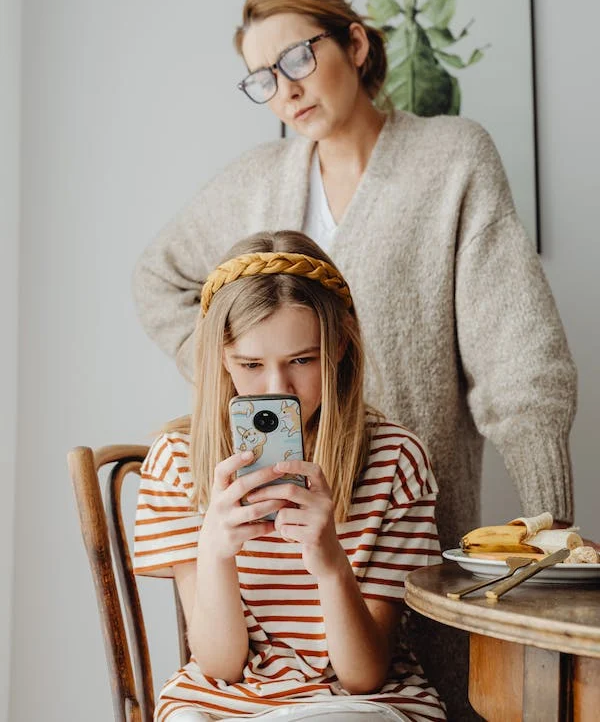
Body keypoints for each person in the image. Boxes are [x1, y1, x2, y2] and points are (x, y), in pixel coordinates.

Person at [132, 0, 577, 719]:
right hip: (267, 561)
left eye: (298, 59)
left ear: (356, 43)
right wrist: (236, 385)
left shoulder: (451, 158)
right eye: (262, 79)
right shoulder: (255, 183)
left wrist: (551, 541)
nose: (286, 90)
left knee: (407, 682)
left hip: (394, 504)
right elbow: (159, 280)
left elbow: (520, 353)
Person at [133, 230, 446, 722]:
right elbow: (220, 665)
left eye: (302, 360)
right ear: (221, 358)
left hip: (358, 701)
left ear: (340, 346)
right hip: (222, 700)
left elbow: (364, 674)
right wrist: (214, 550)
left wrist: (331, 565)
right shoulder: (177, 460)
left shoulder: (395, 460)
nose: (279, 389)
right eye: (251, 364)